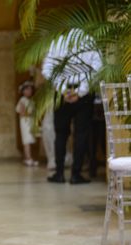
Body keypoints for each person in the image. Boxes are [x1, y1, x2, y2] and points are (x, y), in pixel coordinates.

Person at [42, 29, 102, 184]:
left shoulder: (57, 42)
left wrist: (63, 90)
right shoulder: (89, 41)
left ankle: (59, 173)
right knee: (81, 134)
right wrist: (80, 91)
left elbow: (47, 69)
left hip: (62, 94)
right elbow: (97, 68)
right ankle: (76, 174)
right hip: (84, 95)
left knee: (61, 134)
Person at [16, 80, 39, 166]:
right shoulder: (22, 100)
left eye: (30, 89)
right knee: (27, 140)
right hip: (25, 122)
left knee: (31, 140)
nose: (29, 91)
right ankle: (28, 158)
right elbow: (22, 113)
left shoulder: (31, 100)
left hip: (31, 121)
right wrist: (30, 114)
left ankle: (31, 157)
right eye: (27, 89)